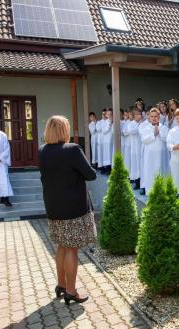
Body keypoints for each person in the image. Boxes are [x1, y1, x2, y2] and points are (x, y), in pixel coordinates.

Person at [39, 115, 96, 305]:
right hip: (73, 207)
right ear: (65, 130)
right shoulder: (72, 150)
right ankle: (71, 291)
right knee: (72, 248)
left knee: (62, 246)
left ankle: (61, 285)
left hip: (53, 207)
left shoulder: (43, 151)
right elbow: (91, 175)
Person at [139, 108, 169, 194]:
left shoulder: (164, 128)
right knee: (150, 173)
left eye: (155, 116)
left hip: (161, 156)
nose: (154, 118)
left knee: (161, 171)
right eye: (152, 116)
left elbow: (167, 138)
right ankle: (150, 192)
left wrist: (159, 133)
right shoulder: (146, 128)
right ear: (149, 117)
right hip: (150, 156)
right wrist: (153, 135)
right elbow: (144, 139)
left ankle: (161, 191)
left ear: (159, 117)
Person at [166, 108, 179, 194]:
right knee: (176, 179)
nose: (178, 120)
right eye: (177, 119)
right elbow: (168, 144)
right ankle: (176, 196)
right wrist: (175, 147)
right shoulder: (172, 131)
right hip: (176, 160)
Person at [127, 107, 143, 190]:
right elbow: (131, 131)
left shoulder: (143, 123)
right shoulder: (131, 124)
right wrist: (139, 126)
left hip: (142, 148)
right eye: (137, 114)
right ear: (134, 115)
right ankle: (137, 183)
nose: (139, 116)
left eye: (140, 114)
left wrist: (140, 125)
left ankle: (142, 184)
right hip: (134, 149)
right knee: (136, 166)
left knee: (142, 165)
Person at [101, 108, 114, 174]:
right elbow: (104, 131)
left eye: (111, 114)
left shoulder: (115, 121)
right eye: (108, 114)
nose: (109, 115)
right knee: (108, 155)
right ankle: (108, 169)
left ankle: (113, 169)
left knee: (113, 154)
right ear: (106, 115)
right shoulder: (105, 122)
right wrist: (109, 123)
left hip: (113, 141)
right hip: (107, 141)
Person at [121, 109, 132, 173]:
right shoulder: (123, 122)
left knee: (129, 158)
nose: (127, 117)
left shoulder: (130, 122)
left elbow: (125, 132)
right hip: (125, 142)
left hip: (130, 142)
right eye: (125, 115)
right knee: (126, 158)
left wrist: (125, 132)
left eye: (128, 115)